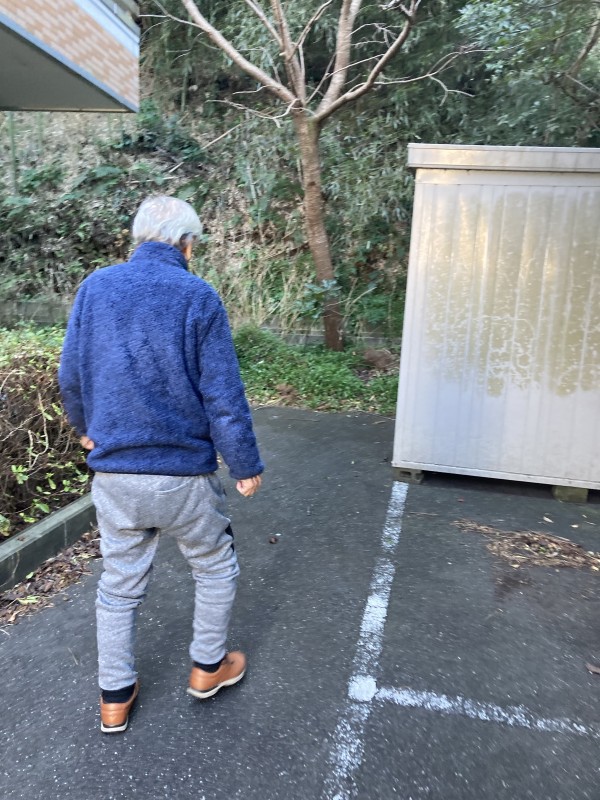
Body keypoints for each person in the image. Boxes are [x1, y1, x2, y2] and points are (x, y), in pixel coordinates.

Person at [59, 195, 263, 734]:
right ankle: (207, 668)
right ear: (187, 244)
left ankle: (114, 697)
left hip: (115, 476)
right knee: (214, 565)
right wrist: (243, 463)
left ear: (137, 238)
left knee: (118, 585)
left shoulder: (95, 288)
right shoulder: (197, 296)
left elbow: (71, 374)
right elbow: (222, 394)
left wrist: (84, 427)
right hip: (183, 478)